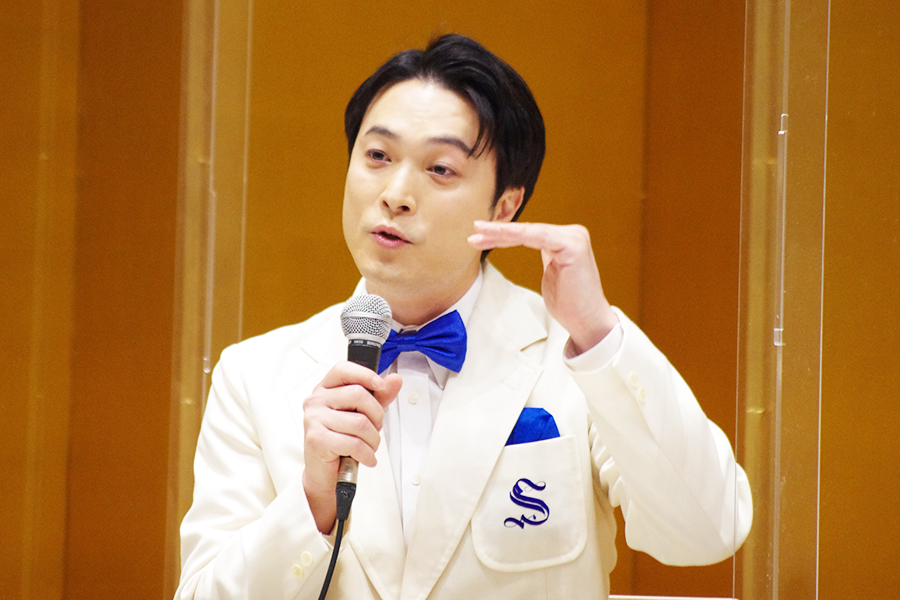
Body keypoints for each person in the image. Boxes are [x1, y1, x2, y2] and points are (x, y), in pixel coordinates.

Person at [176, 34, 752, 600]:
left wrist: (597, 331)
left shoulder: (577, 358)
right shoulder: (253, 375)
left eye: (440, 169)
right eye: (377, 156)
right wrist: (312, 502)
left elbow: (708, 532)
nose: (396, 193)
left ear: (505, 205)